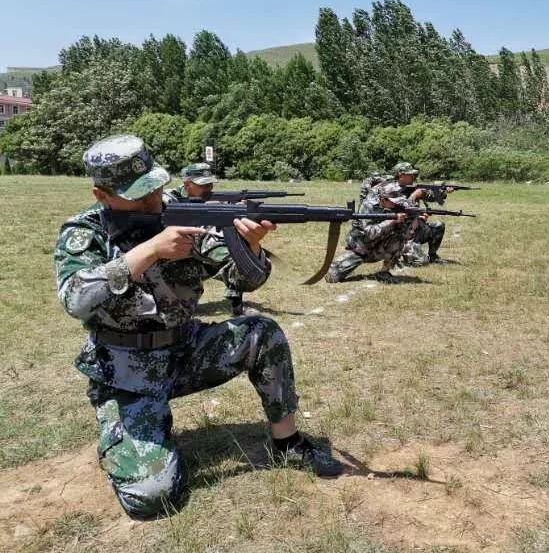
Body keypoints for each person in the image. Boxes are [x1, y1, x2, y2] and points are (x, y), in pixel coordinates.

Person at [54, 135, 342, 520]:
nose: (153, 202)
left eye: (154, 188)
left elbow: (247, 278)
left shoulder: (184, 214)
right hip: (125, 373)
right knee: (152, 497)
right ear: (102, 194)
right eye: (139, 197)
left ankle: (287, 441)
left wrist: (251, 247)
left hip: (186, 350)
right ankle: (129, 434)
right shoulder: (84, 232)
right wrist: (151, 250)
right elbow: (75, 299)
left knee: (262, 332)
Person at [165, 163, 248, 316]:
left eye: (210, 184)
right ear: (187, 184)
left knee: (236, 254)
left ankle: (236, 305)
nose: (208, 188)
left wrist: (235, 211)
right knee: (180, 309)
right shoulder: (167, 200)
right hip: (171, 262)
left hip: (197, 257)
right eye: (203, 185)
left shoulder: (211, 200)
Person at [324, 182, 411, 283]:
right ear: (383, 199)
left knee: (399, 238)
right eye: (393, 202)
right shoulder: (368, 206)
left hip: (378, 243)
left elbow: (405, 229)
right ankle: (338, 265)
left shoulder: (394, 206)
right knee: (332, 276)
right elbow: (369, 233)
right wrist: (392, 220)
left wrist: (412, 220)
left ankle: (384, 273)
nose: (395, 204)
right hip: (361, 247)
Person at [390, 162, 448, 265]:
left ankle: (433, 255)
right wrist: (414, 196)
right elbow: (401, 211)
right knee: (420, 262)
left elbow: (432, 197)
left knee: (438, 226)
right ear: (401, 175)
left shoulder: (413, 188)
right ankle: (401, 252)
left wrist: (443, 192)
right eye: (410, 174)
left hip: (417, 229)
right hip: (402, 233)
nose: (413, 176)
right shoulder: (390, 190)